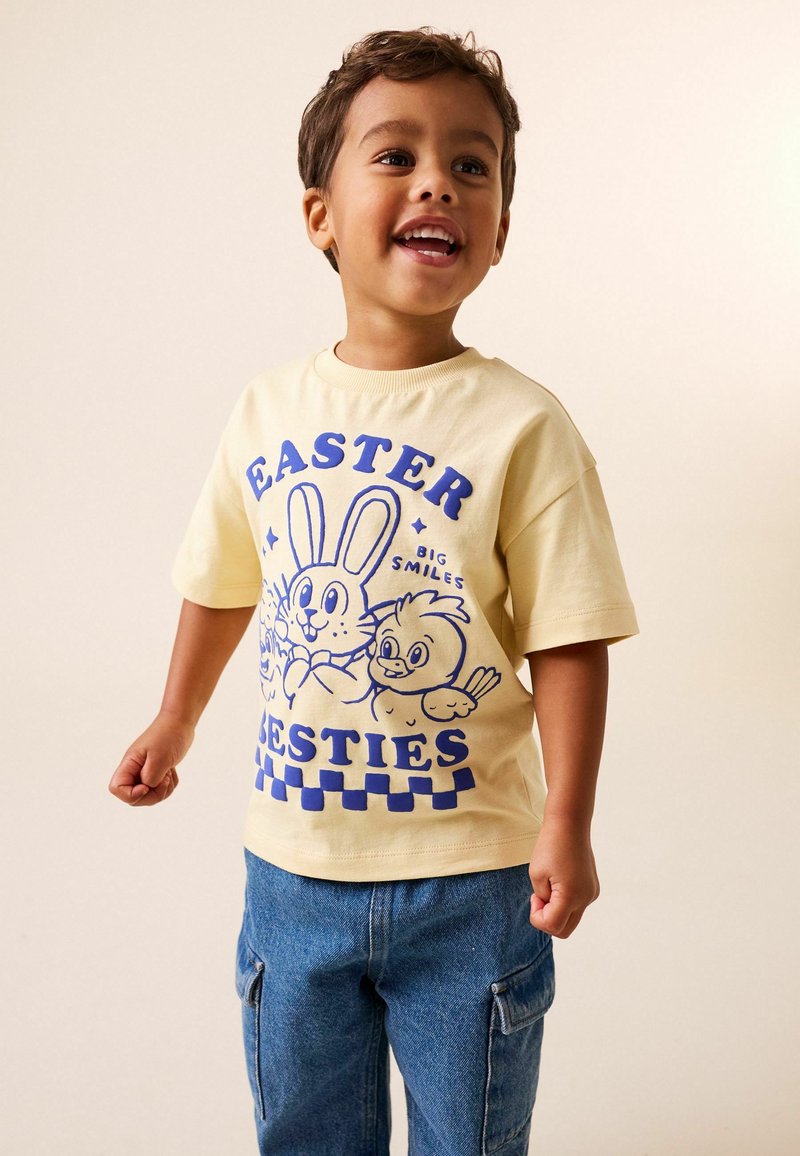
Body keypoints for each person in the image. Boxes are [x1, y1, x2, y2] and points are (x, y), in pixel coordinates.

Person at [109, 26, 639, 1156]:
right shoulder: (267, 410)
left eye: (471, 164)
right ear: (320, 215)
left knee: (468, 1138)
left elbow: (570, 635)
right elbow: (223, 579)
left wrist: (566, 821)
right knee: (305, 1131)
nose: (437, 181)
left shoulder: (523, 426)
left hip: (472, 879)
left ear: (499, 228)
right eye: (395, 155)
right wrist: (175, 716)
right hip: (293, 870)